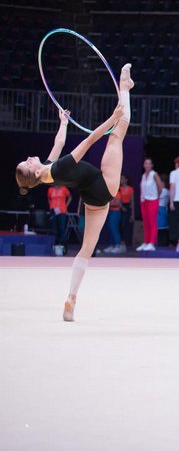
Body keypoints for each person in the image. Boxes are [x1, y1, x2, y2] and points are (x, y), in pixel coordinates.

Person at [15, 63, 134, 321]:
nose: (29, 158)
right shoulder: (58, 168)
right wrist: (112, 120)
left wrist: (63, 123)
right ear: (33, 173)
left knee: (86, 250)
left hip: (94, 200)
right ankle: (124, 87)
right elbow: (90, 140)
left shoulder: (46, 172)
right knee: (117, 134)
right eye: (28, 162)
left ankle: (71, 298)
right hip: (105, 185)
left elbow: (59, 142)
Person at [137, 158, 163, 251]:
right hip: (144, 201)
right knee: (146, 223)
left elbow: (160, 187)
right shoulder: (143, 175)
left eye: (149, 164)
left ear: (151, 165)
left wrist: (156, 197)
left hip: (152, 201)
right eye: (146, 163)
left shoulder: (154, 174)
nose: (147, 165)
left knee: (152, 222)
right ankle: (146, 242)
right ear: (144, 165)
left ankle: (151, 243)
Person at [47, 183, 71, 253]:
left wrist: (66, 205)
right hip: (53, 210)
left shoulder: (64, 189)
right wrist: (50, 205)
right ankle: (54, 247)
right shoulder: (50, 190)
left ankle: (63, 248)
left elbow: (70, 197)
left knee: (62, 229)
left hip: (62, 210)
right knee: (54, 229)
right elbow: (49, 198)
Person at [118, 174, 134, 251]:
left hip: (127, 208)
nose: (121, 180)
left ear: (126, 180)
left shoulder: (130, 189)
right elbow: (118, 198)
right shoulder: (119, 188)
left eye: (122, 178)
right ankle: (120, 243)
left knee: (125, 226)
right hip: (120, 207)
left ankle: (124, 244)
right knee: (119, 225)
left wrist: (132, 214)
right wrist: (121, 207)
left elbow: (132, 202)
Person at [157, 172, 170, 246]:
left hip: (161, 210)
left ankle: (162, 244)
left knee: (162, 228)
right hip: (160, 209)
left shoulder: (165, 191)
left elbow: (156, 197)